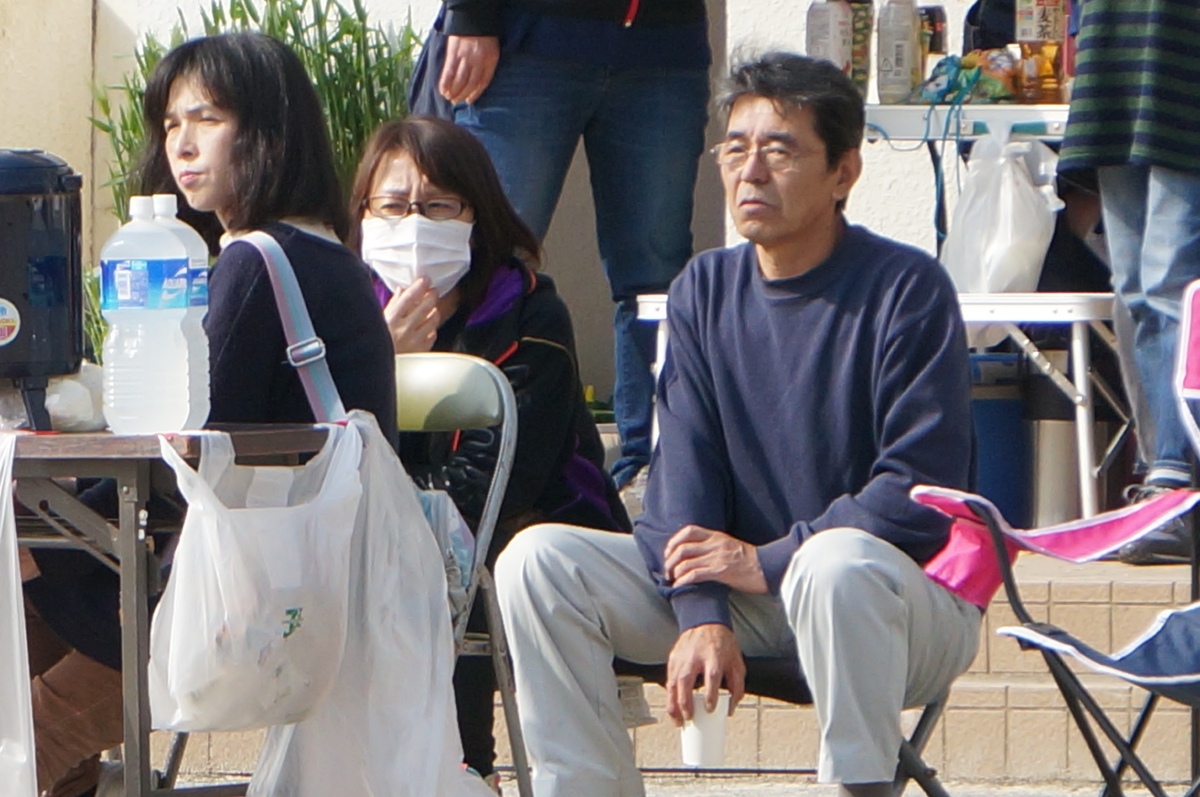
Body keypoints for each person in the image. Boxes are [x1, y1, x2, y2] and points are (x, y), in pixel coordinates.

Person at [494, 53, 983, 797]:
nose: (750, 172)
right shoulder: (704, 288)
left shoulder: (906, 289)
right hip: (745, 593)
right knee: (538, 562)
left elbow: (920, 492)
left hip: (894, 603)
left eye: (779, 151)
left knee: (833, 563)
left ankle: (859, 786)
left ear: (844, 172)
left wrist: (768, 560)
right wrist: (702, 612)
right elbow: (681, 482)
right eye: (734, 148)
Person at [20, 32, 396, 797]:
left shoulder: (255, 262)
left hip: (238, 601)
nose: (181, 145)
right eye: (170, 124)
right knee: (29, 596)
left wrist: (42, 516)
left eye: (208, 119)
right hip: (309, 580)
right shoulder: (327, 257)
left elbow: (184, 451)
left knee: (24, 708)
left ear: (267, 131)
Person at [346, 116, 632, 791]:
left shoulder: (530, 315)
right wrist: (376, 364)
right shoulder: (346, 314)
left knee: (447, 558)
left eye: (439, 206)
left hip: (528, 533)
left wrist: (396, 504)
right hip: (389, 530)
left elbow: (493, 485)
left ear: (478, 215)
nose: (414, 224)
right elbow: (320, 449)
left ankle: (464, 769)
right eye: (393, 206)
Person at [433, 0, 711, 498]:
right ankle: (462, 466)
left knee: (655, 279)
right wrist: (472, 16)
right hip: (526, 42)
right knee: (483, 264)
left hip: (665, 48)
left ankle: (650, 472)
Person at [1059, 0, 1200, 564]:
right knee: (1135, 288)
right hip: (1114, 63)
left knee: (1171, 285)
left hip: (1182, 60)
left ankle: (1175, 480)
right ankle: (1165, 477)